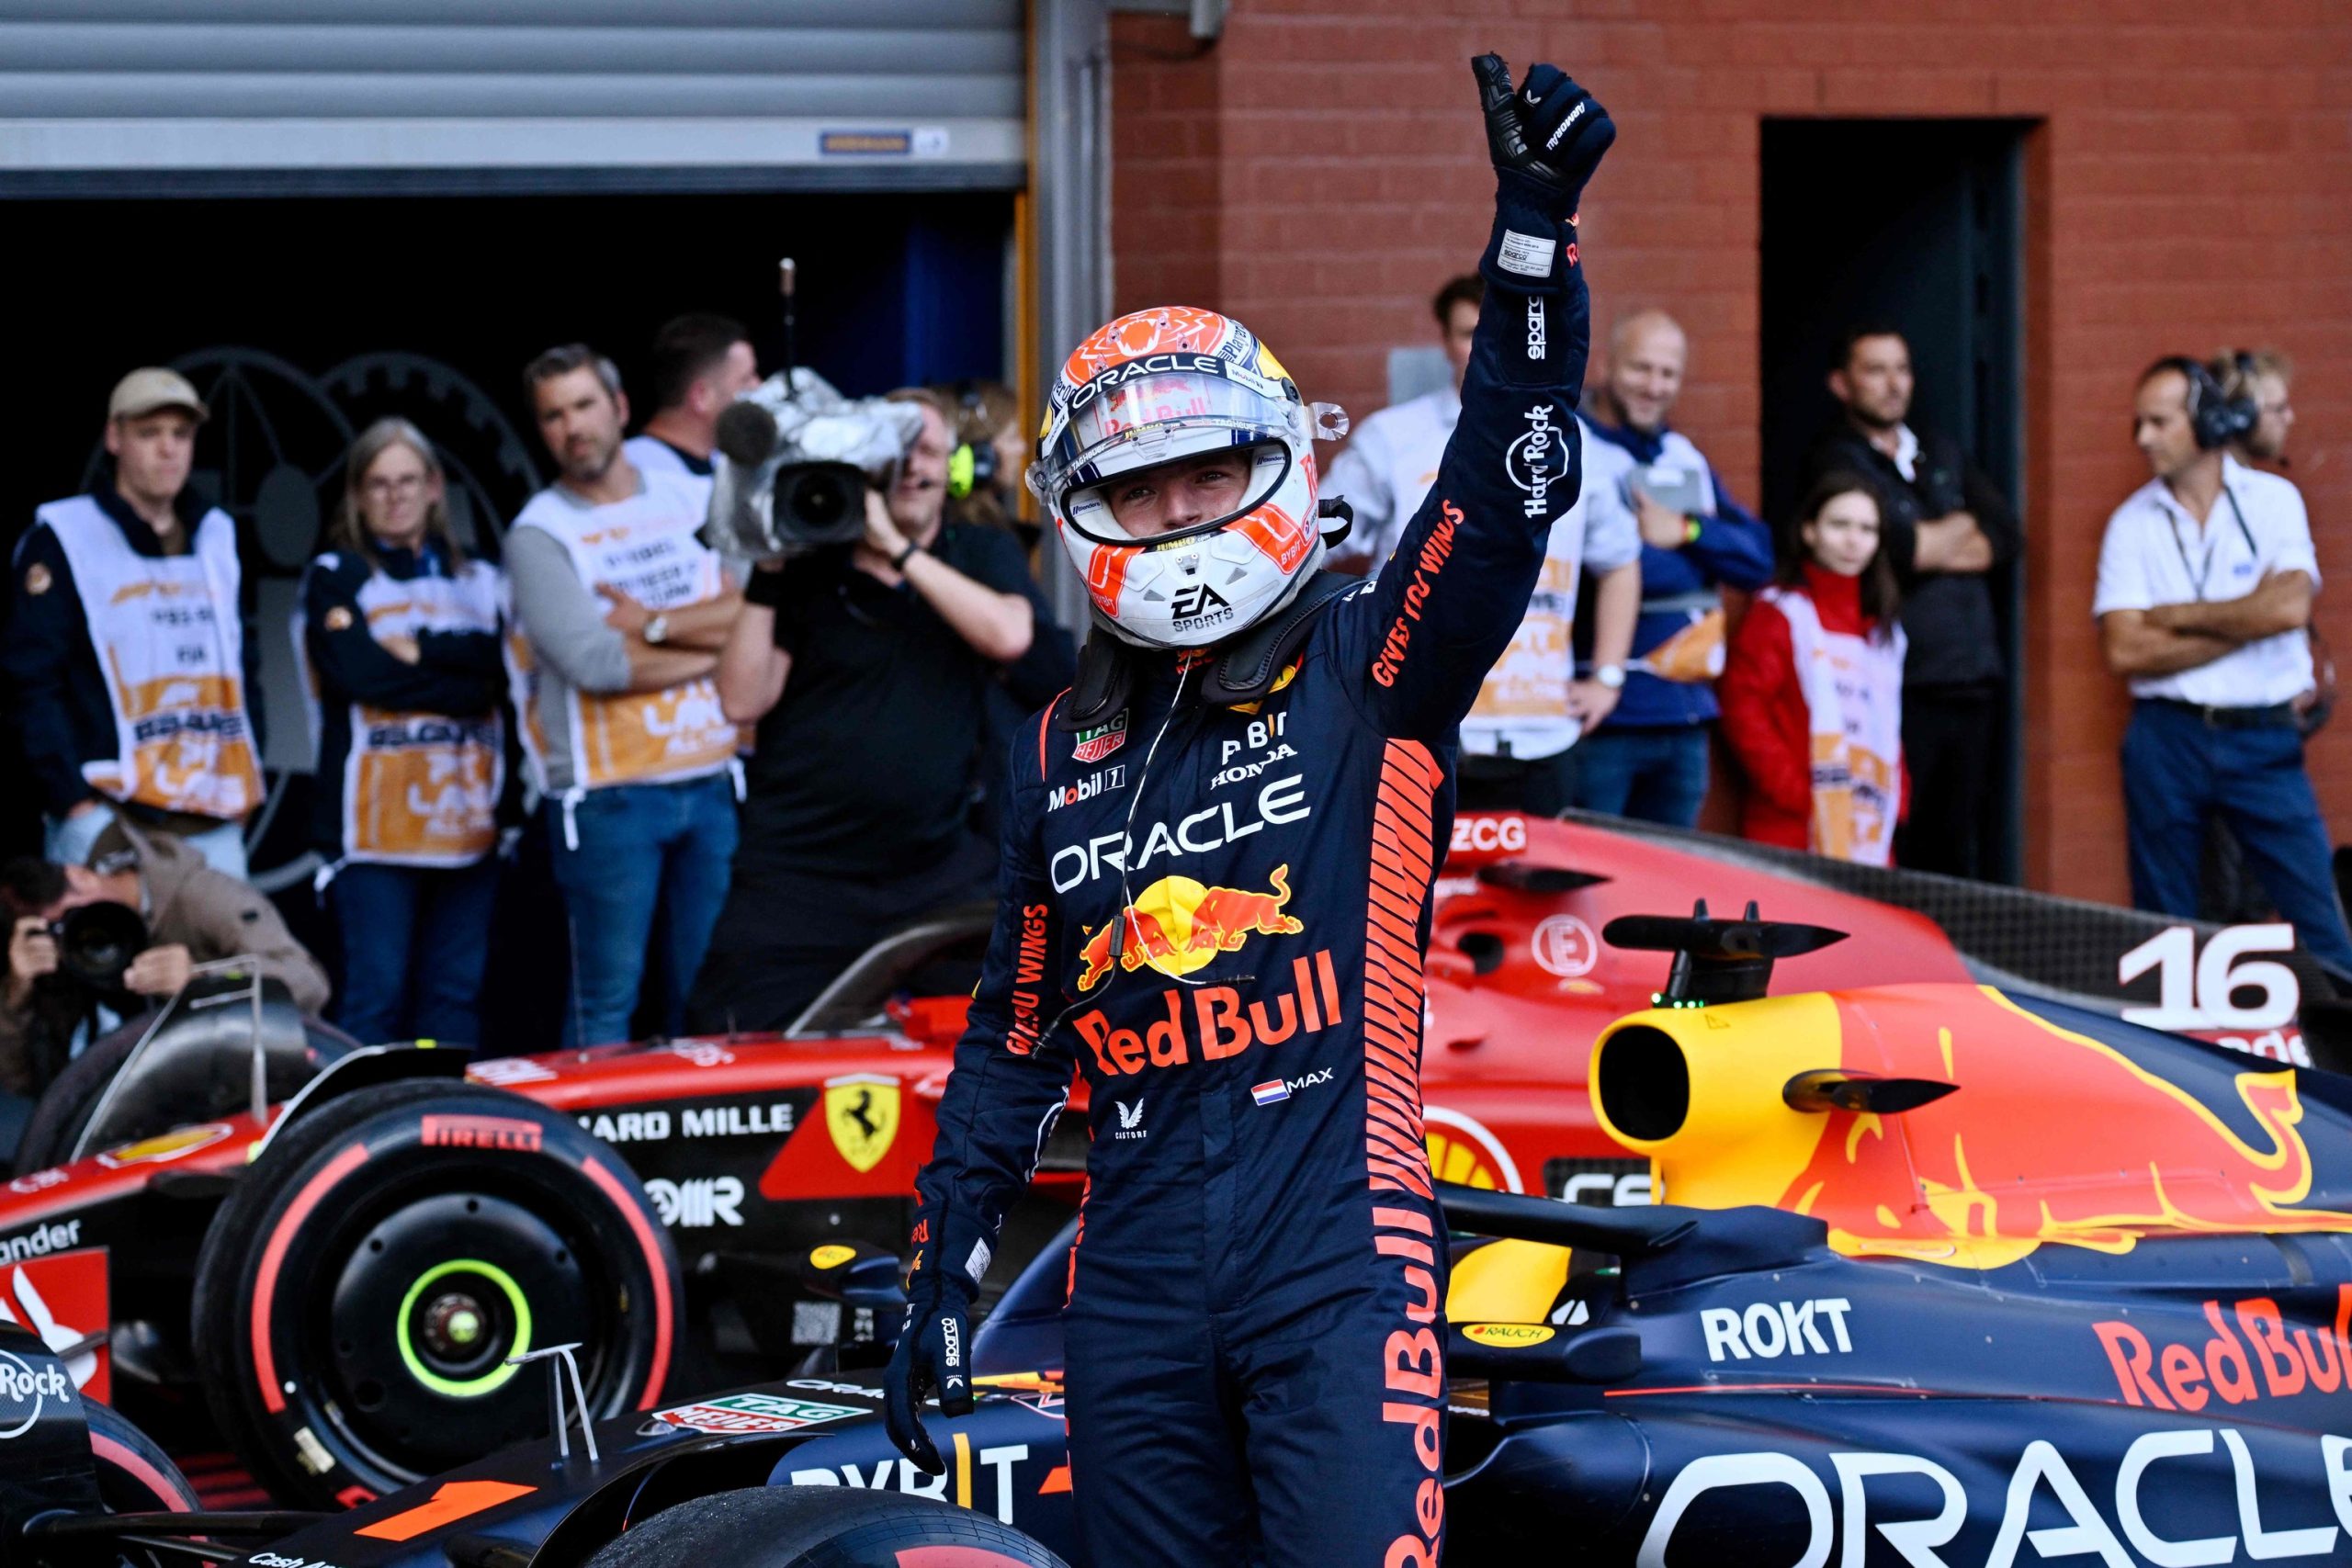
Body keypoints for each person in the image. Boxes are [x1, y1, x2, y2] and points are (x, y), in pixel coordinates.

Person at [884, 56, 1613, 1567]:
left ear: (1277, 463)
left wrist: (1532, 244)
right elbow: (1016, 1039)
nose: (1180, 518)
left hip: (1336, 1251)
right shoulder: (1055, 748)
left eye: (1211, 475)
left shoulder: (1371, 663)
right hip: (1133, 1278)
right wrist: (941, 1263)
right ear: (1083, 512)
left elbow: (1502, 501)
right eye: (1141, 491)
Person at [688, 389, 1041, 1032]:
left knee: (1000, 1042)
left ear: (953, 470)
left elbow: (1010, 635)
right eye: (894, 452)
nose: (911, 466)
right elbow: (742, 698)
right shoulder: (806, 565)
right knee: (734, 1040)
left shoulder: (979, 552)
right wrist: (768, 566)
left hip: (933, 872)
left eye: (928, 450)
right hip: (798, 878)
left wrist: (900, 552)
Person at [505, 345, 744, 1046]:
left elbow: (756, 609)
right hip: (609, 798)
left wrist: (653, 625)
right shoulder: (539, 531)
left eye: (583, 405)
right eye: (553, 415)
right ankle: (591, 1156)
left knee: (708, 995)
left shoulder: (695, 498)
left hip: (711, 782)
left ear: (619, 408)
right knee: (605, 1005)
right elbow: (596, 663)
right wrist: (717, 644)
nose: (572, 426)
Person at [2092, 356, 2352, 975]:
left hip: (2261, 735)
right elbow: (2125, 650)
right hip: (2166, 734)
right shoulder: (2130, 523)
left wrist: (2175, 615)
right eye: (2140, 423)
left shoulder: (2272, 500)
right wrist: (2246, 623)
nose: (2143, 438)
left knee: (2322, 922)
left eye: (2158, 421)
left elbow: (2290, 606)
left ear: (2207, 423)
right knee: (2165, 933)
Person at [5, 368, 264, 879]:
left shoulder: (217, 535)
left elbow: (243, 666)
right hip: (108, 820)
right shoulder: (65, 536)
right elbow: (30, 682)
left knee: (222, 964)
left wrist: (242, 798)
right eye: (150, 434)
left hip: (211, 828)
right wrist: (75, 806)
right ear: (114, 437)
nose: (168, 449)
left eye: (181, 435)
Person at [297, 420, 507, 1045]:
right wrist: (460, 680)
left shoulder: (482, 578)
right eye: (379, 484)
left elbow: (499, 674)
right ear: (358, 495)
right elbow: (358, 672)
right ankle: (361, 1137)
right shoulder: (335, 574)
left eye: (408, 480)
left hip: (468, 828)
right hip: (373, 835)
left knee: (454, 998)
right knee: (376, 999)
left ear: (435, 486)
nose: (395, 496)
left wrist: (417, 648)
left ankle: (451, 1139)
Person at [1805, 326, 2018, 878]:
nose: (1893, 383)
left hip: (1973, 678)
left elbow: (2005, 534)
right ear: (1841, 383)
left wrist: (1930, 541)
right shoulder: (1837, 460)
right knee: (1903, 836)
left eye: (1901, 369)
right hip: (1900, 685)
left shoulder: (1940, 449)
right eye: (1875, 370)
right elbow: (1902, 547)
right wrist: (1942, 534)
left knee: (1962, 843)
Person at [1572, 309, 1774, 826]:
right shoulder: (1570, 445)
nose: (1654, 386)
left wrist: (1688, 532)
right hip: (1603, 716)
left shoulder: (1681, 456)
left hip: (1685, 713)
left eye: (1668, 374)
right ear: (1607, 364)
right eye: (1641, 369)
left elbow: (1757, 559)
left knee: (1671, 886)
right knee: (1594, 886)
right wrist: (1673, 559)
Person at [2, 819, 331, 1104]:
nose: (85, 936)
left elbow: (309, 983)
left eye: (74, 916)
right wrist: (16, 997)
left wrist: (201, 979)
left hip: (244, 1079)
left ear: (81, 877)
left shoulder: (200, 895)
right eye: (58, 929)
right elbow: (31, 1089)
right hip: (144, 1100)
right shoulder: (69, 949)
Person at [1455, 417, 1641, 813]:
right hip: (1427, 736)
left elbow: (1621, 561)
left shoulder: (1578, 441)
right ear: (1448, 348)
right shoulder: (1395, 435)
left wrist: (1607, 678)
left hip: (1546, 735)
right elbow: (1323, 540)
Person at [1720, 474, 1905, 863]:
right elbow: (1744, 708)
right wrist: (1794, 792)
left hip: (1868, 829)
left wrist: (1898, 791)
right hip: (1791, 828)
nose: (1854, 540)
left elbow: (1885, 722)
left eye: (1867, 529)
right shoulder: (1779, 612)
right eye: (1839, 525)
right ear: (1809, 531)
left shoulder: (1883, 631)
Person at [1324, 272, 1485, 571]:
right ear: (1447, 344)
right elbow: (1312, 539)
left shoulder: (1567, 439)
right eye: (1471, 334)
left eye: (1501, 332)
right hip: (1405, 616)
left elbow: (1604, 556)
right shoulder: (1389, 436)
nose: (1486, 346)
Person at [622, 313, 761, 488]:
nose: (758, 386)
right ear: (701, 397)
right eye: (746, 378)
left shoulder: (727, 463)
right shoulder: (631, 471)